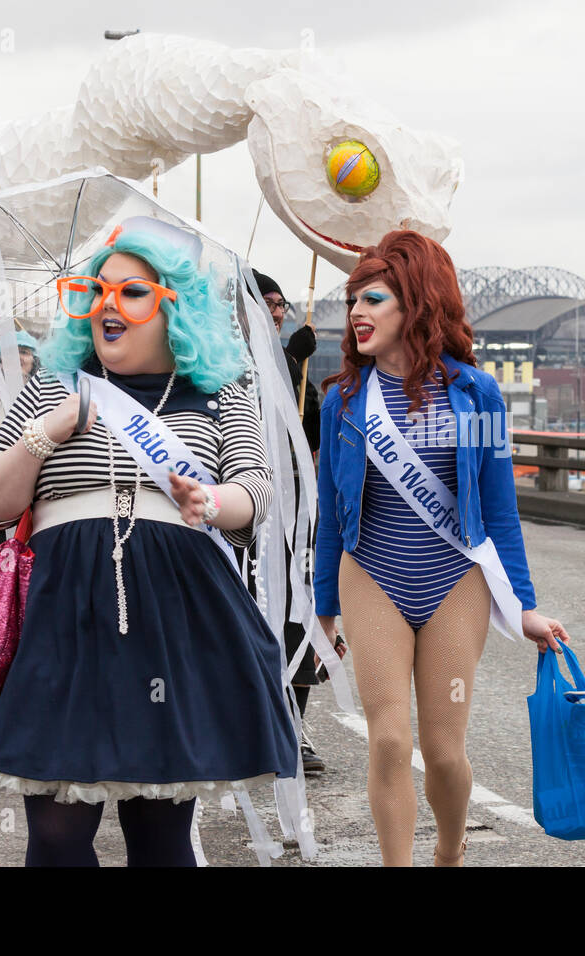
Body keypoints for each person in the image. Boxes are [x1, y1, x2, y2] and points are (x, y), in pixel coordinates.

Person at [0, 216, 297, 866]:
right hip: (65, 623)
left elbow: (255, 492)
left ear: (179, 305)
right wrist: (52, 430)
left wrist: (212, 501)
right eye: (98, 292)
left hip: (174, 629)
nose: (108, 307)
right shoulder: (55, 384)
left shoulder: (220, 388)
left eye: (132, 293)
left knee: (161, 838)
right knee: (56, 837)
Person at [314, 230, 571, 866]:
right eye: (354, 300)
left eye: (373, 298)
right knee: (388, 741)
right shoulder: (342, 401)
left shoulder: (476, 394)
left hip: (456, 579)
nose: (356, 313)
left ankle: (450, 851)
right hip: (369, 574)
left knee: (445, 748)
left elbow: (500, 513)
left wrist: (526, 608)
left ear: (416, 305)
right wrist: (323, 607)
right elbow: (329, 515)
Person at [246, 270, 330, 773]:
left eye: (281, 304)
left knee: (296, 622)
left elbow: (312, 449)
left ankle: (294, 731)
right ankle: (240, 728)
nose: (277, 312)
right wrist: (290, 360)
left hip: (293, 523)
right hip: (240, 524)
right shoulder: (222, 367)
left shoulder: (297, 376)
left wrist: (296, 368)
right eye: (265, 302)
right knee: (244, 623)